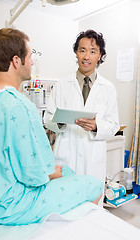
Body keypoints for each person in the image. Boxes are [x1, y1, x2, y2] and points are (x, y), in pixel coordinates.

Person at [0, 28, 104, 226]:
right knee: (94, 183)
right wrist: (56, 171)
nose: (32, 62)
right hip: (11, 205)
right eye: (30, 56)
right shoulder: (19, 105)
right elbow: (34, 175)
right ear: (16, 61)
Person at [44, 29, 119, 184]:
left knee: (91, 202)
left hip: (93, 160)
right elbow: (47, 118)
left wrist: (96, 126)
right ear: (76, 53)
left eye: (93, 51)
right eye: (82, 50)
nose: (86, 56)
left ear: (99, 56)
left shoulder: (108, 88)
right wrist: (60, 121)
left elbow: (113, 125)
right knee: (65, 202)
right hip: (66, 156)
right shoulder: (61, 85)